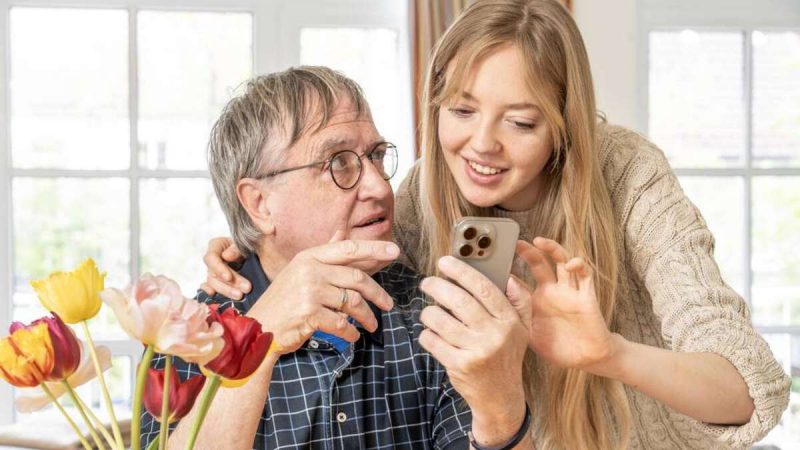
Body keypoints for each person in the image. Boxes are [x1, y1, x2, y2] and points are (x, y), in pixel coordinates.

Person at [202, 1, 792, 449]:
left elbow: (750, 389)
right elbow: (314, 234)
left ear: (563, 129)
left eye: (521, 122)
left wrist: (607, 353)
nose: (480, 146)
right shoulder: (419, 198)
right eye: (461, 111)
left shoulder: (628, 176)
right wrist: (247, 254)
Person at [139, 66, 504, 449]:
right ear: (259, 204)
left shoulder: (431, 316)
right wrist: (260, 339)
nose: (380, 187)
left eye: (377, 156)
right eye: (338, 162)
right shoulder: (184, 337)